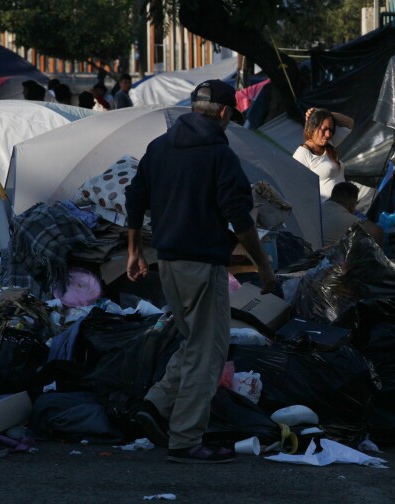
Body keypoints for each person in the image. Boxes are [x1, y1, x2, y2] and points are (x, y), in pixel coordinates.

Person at [125, 79, 275, 464]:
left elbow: (135, 195)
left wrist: (133, 252)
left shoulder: (159, 148)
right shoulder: (220, 156)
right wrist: (263, 265)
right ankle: (186, 438)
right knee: (209, 352)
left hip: (168, 262)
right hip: (202, 264)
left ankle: (155, 404)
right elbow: (239, 217)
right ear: (224, 113)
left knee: (194, 343)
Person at [292, 107, 354, 201]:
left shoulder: (329, 144)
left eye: (331, 130)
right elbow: (296, 190)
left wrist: (324, 113)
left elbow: (350, 123)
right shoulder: (302, 154)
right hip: (326, 210)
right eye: (324, 129)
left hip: (343, 207)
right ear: (312, 127)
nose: (328, 134)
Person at [321, 181, 383, 248]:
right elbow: (377, 232)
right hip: (325, 256)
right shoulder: (351, 220)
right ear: (353, 206)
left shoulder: (317, 208)